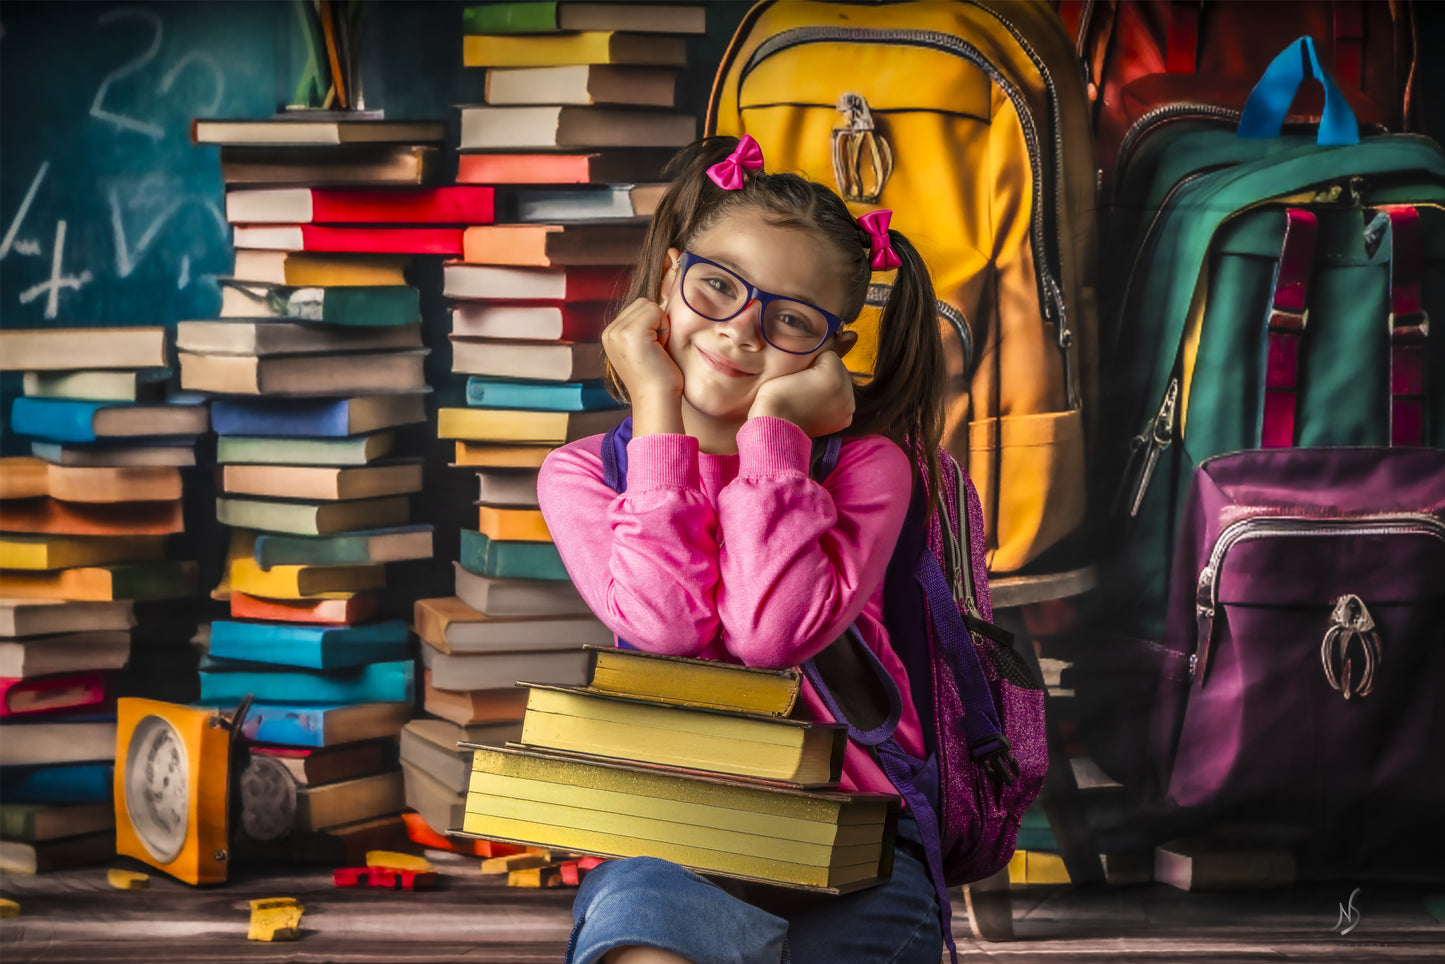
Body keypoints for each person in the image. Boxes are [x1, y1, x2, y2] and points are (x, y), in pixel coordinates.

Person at [537, 134, 948, 964]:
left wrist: (774, 430)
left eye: (789, 320)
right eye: (717, 286)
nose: (737, 332)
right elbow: (664, 628)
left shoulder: (867, 469)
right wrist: (657, 411)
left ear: (830, 350)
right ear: (667, 281)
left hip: (854, 841)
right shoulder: (582, 473)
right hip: (675, 836)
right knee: (639, 943)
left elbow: (770, 635)